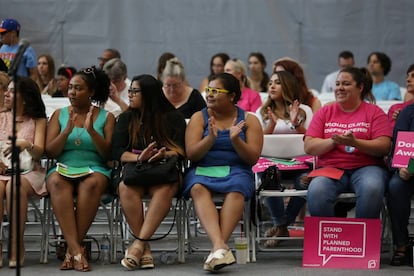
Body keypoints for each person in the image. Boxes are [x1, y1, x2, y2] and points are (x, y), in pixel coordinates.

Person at [183, 73, 263, 271]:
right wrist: (210, 139)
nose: (209, 95)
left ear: (232, 96)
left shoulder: (250, 120)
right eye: (208, 90)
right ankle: (220, 247)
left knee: (237, 189)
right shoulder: (198, 117)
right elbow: (192, 154)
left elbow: (252, 158)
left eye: (215, 91)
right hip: (203, 169)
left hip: (237, 170)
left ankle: (218, 249)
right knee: (197, 187)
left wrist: (236, 141)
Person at [112, 74, 186, 271]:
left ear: (149, 94)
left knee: (164, 189)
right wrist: (139, 158)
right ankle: (144, 249)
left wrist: (163, 154)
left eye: (135, 91)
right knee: (125, 188)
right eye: (130, 91)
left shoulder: (173, 118)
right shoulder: (126, 118)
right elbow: (117, 152)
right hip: (135, 170)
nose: (130, 95)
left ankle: (137, 245)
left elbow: (182, 150)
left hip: (163, 171)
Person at [45, 66, 115, 272]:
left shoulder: (107, 117)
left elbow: (108, 155)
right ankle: (76, 249)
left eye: (78, 89)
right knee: (57, 181)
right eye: (70, 88)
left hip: (95, 167)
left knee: (91, 183)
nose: (72, 93)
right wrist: (66, 131)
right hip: (64, 166)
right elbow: (51, 151)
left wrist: (92, 131)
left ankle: (71, 250)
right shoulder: (59, 114)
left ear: (91, 92)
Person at [304, 67, 391, 219]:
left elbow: (384, 146)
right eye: (337, 84)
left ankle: (362, 239)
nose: (339, 88)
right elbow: (309, 146)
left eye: (346, 84)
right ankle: (330, 238)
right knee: (317, 190)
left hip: (367, 167)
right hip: (331, 167)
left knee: (372, 187)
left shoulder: (374, 112)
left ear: (360, 87)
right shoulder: (325, 111)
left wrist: (355, 142)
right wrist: (333, 141)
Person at [255, 70, 312, 247]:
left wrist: (296, 124)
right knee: (267, 178)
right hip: (271, 165)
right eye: (270, 82)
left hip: (301, 164)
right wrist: (270, 126)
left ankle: (281, 225)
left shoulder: (305, 111)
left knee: (304, 183)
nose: (271, 86)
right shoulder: (262, 111)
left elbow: (312, 139)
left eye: (277, 83)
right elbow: (258, 143)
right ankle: (282, 225)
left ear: (287, 86)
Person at [0, 76, 47, 268]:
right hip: (2, 169)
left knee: (14, 186)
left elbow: (40, 151)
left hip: (28, 171)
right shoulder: (1, 117)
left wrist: (26, 144)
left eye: (12, 91)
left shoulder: (38, 120)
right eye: (7, 90)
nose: (6, 94)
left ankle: (16, 243)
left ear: (25, 97)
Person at [387, 65, 414, 266]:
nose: (409, 80)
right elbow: (399, 145)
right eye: (408, 76)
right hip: (410, 169)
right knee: (396, 185)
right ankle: (401, 245)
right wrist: (402, 166)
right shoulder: (406, 112)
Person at [387, 64, 414, 129]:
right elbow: (397, 138)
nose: (408, 80)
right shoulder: (395, 109)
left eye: (413, 76)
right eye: (407, 76)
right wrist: (401, 121)